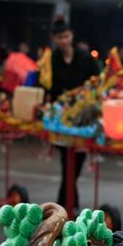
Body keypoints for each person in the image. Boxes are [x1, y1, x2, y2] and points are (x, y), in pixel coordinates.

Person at [43, 18, 100, 211]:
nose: (64, 41)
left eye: (66, 36)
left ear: (72, 35)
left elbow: (97, 82)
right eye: (59, 37)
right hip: (61, 119)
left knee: (75, 164)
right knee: (67, 163)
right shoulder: (50, 60)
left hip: (83, 119)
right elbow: (45, 86)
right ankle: (66, 208)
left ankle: (63, 208)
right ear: (54, 39)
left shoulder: (85, 57)